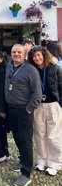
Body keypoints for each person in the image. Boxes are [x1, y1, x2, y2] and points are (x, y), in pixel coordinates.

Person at [5, 44, 42, 186]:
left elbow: (37, 93)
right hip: (11, 109)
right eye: (14, 52)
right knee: (16, 137)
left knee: (26, 140)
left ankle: (26, 173)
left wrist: (28, 109)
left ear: (24, 54)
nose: (16, 54)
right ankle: (22, 159)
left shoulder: (30, 70)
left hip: (24, 110)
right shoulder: (9, 67)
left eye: (19, 52)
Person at [28, 46, 62, 176]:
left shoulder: (55, 68)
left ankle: (55, 163)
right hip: (38, 105)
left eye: (38, 55)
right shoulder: (33, 70)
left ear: (44, 55)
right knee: (39, 134)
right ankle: (41, 160)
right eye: (34, 56)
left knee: (54, 135)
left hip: (53, 104)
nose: (37, 58)